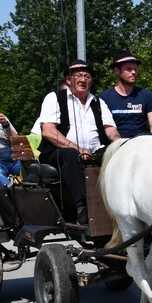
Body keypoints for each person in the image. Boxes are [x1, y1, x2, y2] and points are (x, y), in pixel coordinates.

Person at [37, 59, 120, 225]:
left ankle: (120, 205)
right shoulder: (54, 98)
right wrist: (78, 149)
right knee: (71, 155)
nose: (83, 80)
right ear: (69, 80)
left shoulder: (98, 102)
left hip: (93, 151)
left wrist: (120, 144)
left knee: (115, 155)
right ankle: (81, 207)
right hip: (59, 152)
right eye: (79, 76)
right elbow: (48, 131)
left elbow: (110, 130)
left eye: (87, 76)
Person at [98, 50, 152, 137]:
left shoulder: (146, 95)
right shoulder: (103, 98)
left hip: (141, 146)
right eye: (129, 69)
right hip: (114, 147)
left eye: (135, 69)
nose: (133, 72)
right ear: (117, 71)